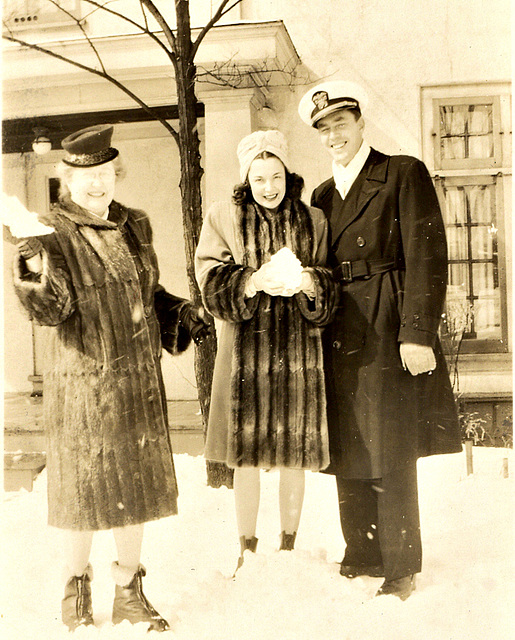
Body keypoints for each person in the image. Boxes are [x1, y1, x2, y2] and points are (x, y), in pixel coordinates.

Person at [11, 124, 210, 631]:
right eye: (85, 176)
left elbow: (147, 293)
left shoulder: (133, 225)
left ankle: (127, 591)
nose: (97, 185)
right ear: (67, 180)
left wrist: (180, 312)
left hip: (137, 380)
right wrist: (33, 266)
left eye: (104, 174)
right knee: (84, 493)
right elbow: (53, 311)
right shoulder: (50, 232)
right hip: (84, 385)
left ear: (114, 174)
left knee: (135, 489)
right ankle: (74, 588)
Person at [298, 81, 461, 600]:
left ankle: (400, 564)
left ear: (360, 122)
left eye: (340, 124)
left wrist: (417, 334)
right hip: (340, 328)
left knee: (390, 444)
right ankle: (362, 551)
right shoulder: (321, 196)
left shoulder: (401, 172)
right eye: (323, 129)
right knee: (348, 442)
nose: (333, 136)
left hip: (388, 324)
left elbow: (427, 255)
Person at [195, 129, 339, 569]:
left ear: (287, 174)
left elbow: (331, 279)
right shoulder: (223, 215)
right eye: (259, 179)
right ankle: (247, 549)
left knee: (295, 447)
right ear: (246, 180)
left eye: (276, 176)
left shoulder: (313, 219)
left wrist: (309, 282)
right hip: (245, 352)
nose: (269, 187)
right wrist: (251, 281)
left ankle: (290, 546)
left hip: (298, 350)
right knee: (247, 452)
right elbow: (209, 278)